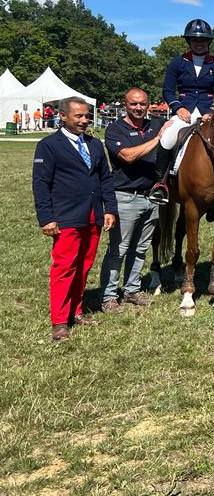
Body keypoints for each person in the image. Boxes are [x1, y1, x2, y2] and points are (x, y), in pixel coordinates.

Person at [32, 96, 117, 341]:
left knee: (84, 265)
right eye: (78, 116)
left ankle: (75, 311)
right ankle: (59, 321)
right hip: (66, 216)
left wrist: (109, 208)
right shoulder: (48, 145)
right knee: (64, 267)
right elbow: (41, 184)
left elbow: (105, 179)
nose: (84, 121)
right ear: (63, 116)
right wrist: (46, 217)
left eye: (87, 116)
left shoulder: (94, 144)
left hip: (93, 215)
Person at [149, 19, 214, 204]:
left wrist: (211, 112)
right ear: (189, 41)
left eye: (203, 40)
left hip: (208, 113)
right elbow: (167, 90)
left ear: (209, 42)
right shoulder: (178, 63)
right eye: (195, 40)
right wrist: (178, 107)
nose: (199, 43)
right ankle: (161, 184)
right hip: (184, 110)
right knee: (167, 137)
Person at [98, 88, 170, 314]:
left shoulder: (155, 123)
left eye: (143, 104)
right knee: (118, 250)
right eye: (133, 104)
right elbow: (128, 156)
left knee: (140, 248)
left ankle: (132, 290)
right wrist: (159, 139)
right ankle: (108, 296)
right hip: (125, 197)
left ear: (148, 105)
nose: (138, 108)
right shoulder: (115, 129)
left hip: (152, 196)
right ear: (125, 105)